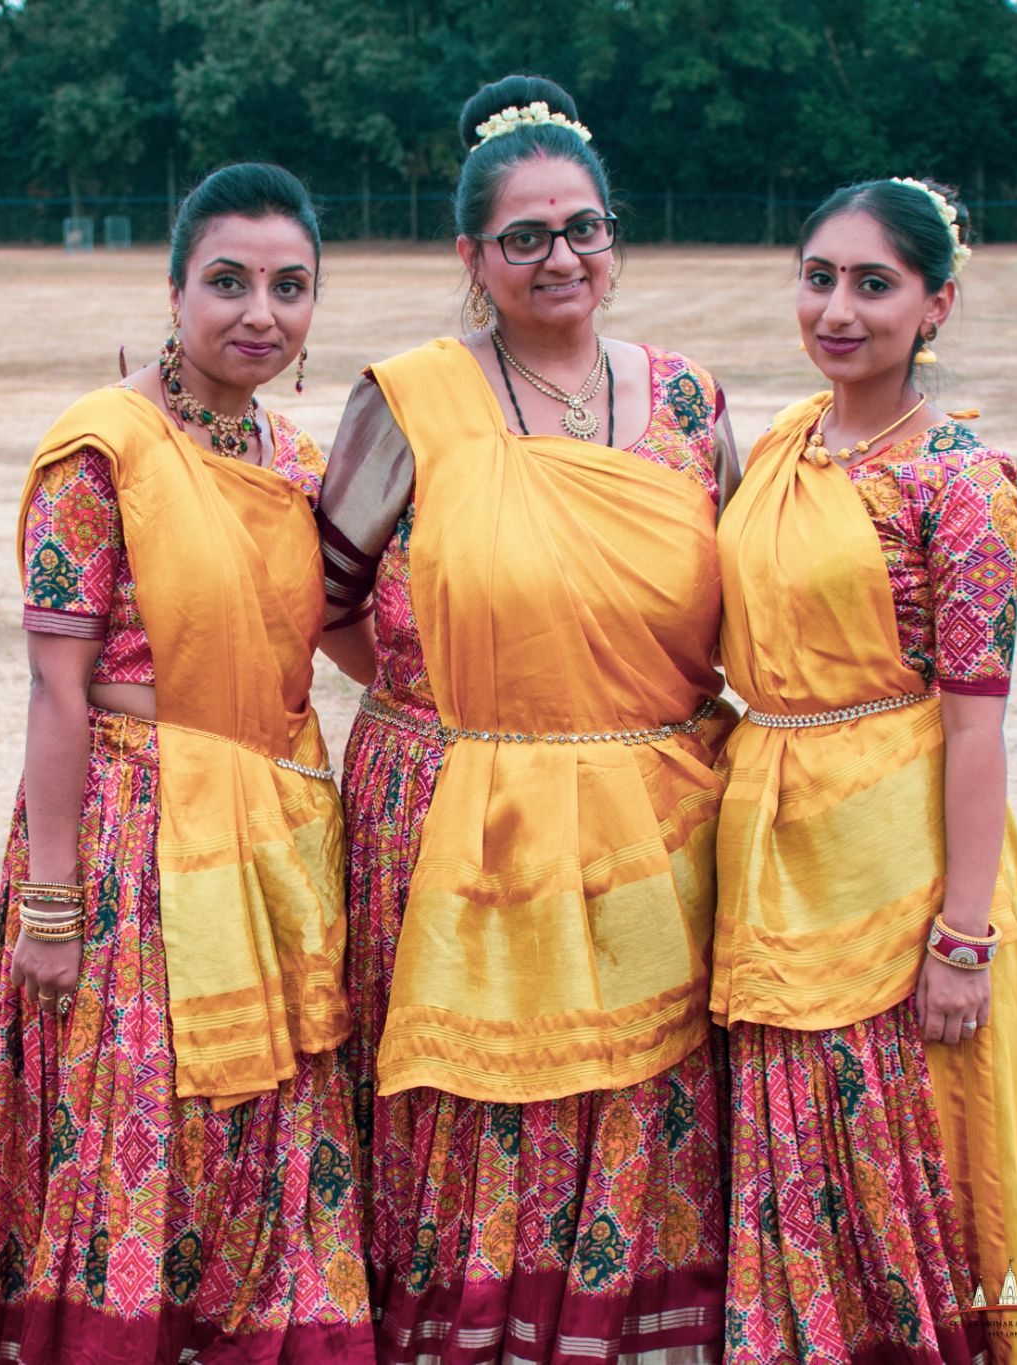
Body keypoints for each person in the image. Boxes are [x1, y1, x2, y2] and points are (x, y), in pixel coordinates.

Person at [0, 163, 372, 1365]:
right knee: (144, 1112)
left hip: (268, 828)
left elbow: (347, 639)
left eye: (288, 286)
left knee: (266, 1113)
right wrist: (52, 905)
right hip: (132, 835)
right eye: (226, 282)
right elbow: (56, 686)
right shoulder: (101, 449)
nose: (257, 312)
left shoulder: (299, 462)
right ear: (174, 291)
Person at [316, 74, 741, 1365]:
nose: (562, 255)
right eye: (527, 236)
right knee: (471, 1103)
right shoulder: (412, 398)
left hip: (648, 821)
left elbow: (737, 590)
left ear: (615, 236)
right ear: (472, 256)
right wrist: (449, 706)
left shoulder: (687, 402)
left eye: (586, 228)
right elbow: (325, 601)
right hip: (456, 820)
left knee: (638, 1098)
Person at [711, 177, 1017, 1364]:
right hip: (770, 833)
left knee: (897, 1126)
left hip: (899, 853)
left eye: (873, 285)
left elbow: (977, 723)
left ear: (933, 305)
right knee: (791, 1129)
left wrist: (963, 937)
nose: (838, 309)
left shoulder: (959, 478)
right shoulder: (783, 444)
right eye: (818, 276)